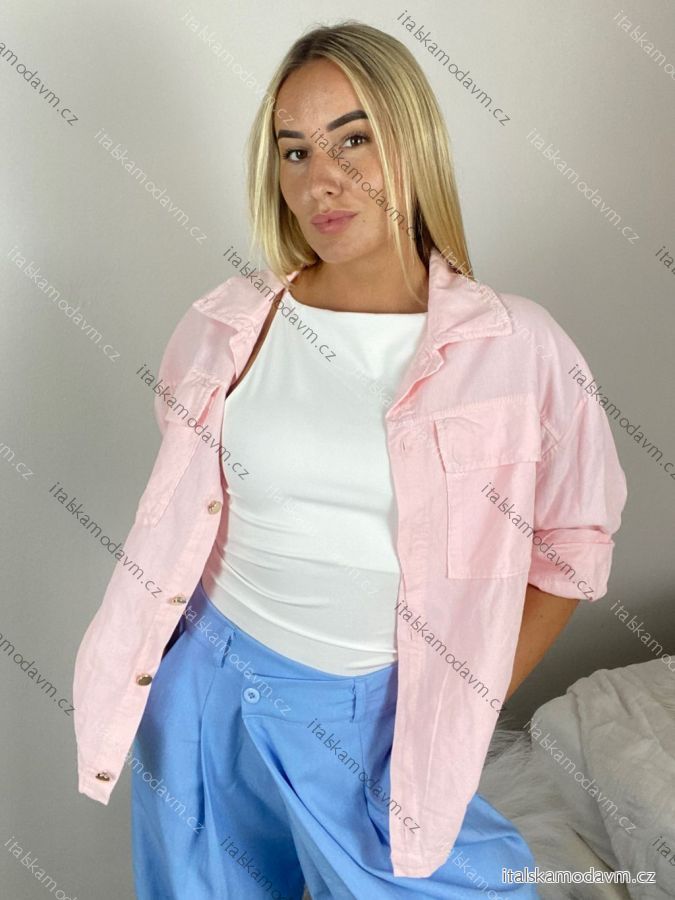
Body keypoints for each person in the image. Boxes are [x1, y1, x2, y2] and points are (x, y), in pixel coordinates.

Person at [72, 20, 627, 899]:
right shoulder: (226, 326)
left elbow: (571, 548)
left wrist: (460, 701)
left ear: (413, 143)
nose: (319, 180)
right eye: (294, 151)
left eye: (352, 140)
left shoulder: (519, 347)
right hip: (204, 691)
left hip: (373, 716)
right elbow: (188, 511)